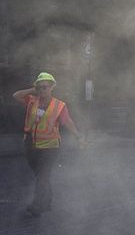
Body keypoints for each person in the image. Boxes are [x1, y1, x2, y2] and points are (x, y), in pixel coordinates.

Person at [12, 72, 85, 216]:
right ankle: (47, 199)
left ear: (52, 87)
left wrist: (78, 136)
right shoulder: (32, 100)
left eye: (45, 87)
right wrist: (33, 90)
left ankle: (37, 205)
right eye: (40, 87)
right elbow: (16, 95)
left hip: (50, 147)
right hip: (31, 145)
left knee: (43, 176)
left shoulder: (59, 105)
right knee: (40, 175)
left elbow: (68, 122)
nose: (42, 90)